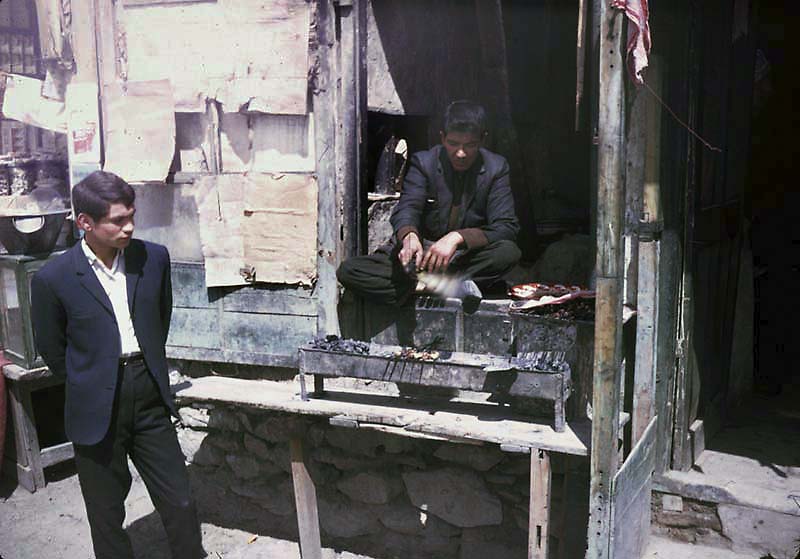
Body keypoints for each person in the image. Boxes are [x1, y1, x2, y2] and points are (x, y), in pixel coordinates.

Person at [31, 171, 205, 559]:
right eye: (117, 220)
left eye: (132, 216)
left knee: (179, 501)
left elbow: (160, 316)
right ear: (85, 223)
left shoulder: (152, 258)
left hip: (148, 394)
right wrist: (90, 379)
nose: (129, 227)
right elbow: (52, 348)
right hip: (95, 405)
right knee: (106, 514)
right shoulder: (53, 278)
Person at [337, 100, 521, 309]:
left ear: (482, 140)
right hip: (422, 258)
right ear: (442, 137)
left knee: (508, 252)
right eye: (453, 144)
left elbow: (506, 226)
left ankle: (422, 286)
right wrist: (409, 237)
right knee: (350, 270)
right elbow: (407, 209)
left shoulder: (496, 168)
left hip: (462, 257)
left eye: (469, 145)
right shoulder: (424, 163)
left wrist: (457, 238)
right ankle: (442, 286)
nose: (460, 153)